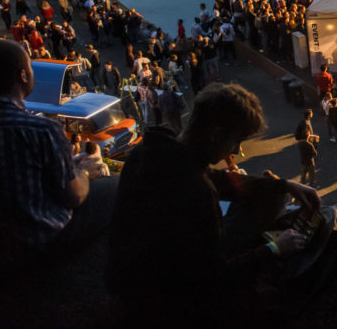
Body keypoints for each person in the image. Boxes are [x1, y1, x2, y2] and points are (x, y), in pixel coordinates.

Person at [106, 82, 319, 323]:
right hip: (163, 302)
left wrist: (285, 185)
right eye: (236, 141)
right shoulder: (197, 192)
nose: (237, 151)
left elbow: (216, 178)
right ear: (217, 135)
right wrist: (273, 249)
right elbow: (212, 279)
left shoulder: (152, 151)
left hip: (131, 278)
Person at [0, 40, 116, 270]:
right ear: (23, 76)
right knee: (114, 186)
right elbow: (74, 196)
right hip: (41, 242)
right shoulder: (40, 129)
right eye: (30, 68)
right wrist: (82, 170)